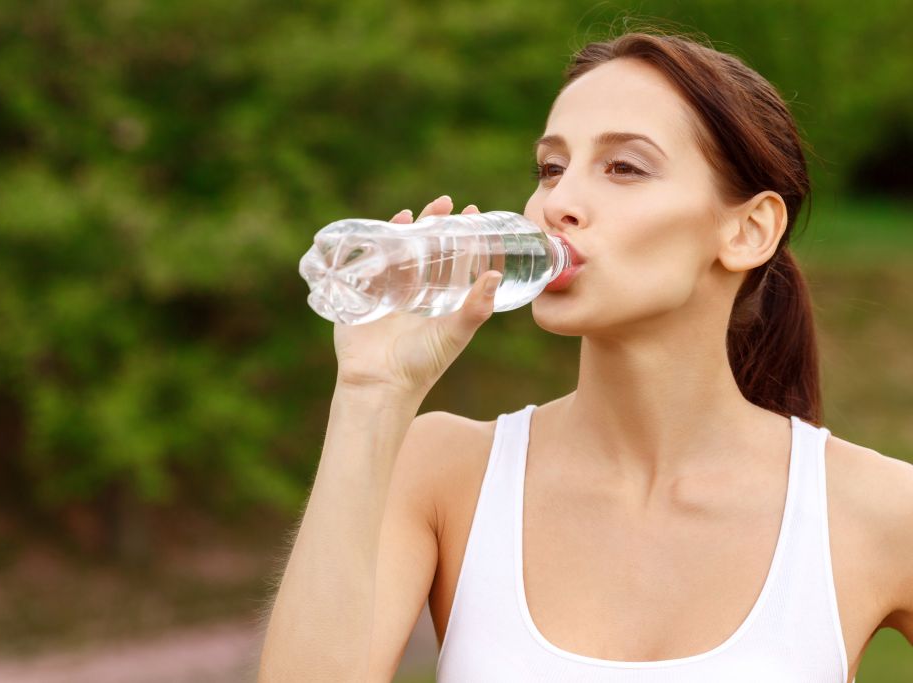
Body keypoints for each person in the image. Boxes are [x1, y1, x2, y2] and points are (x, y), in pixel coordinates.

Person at [258, 30, 912, 683]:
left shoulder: (877, 510)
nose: (556, 204)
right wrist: (371, 391)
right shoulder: (442, 473)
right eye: (550, 168)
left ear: (747, 230)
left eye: (623, 167)